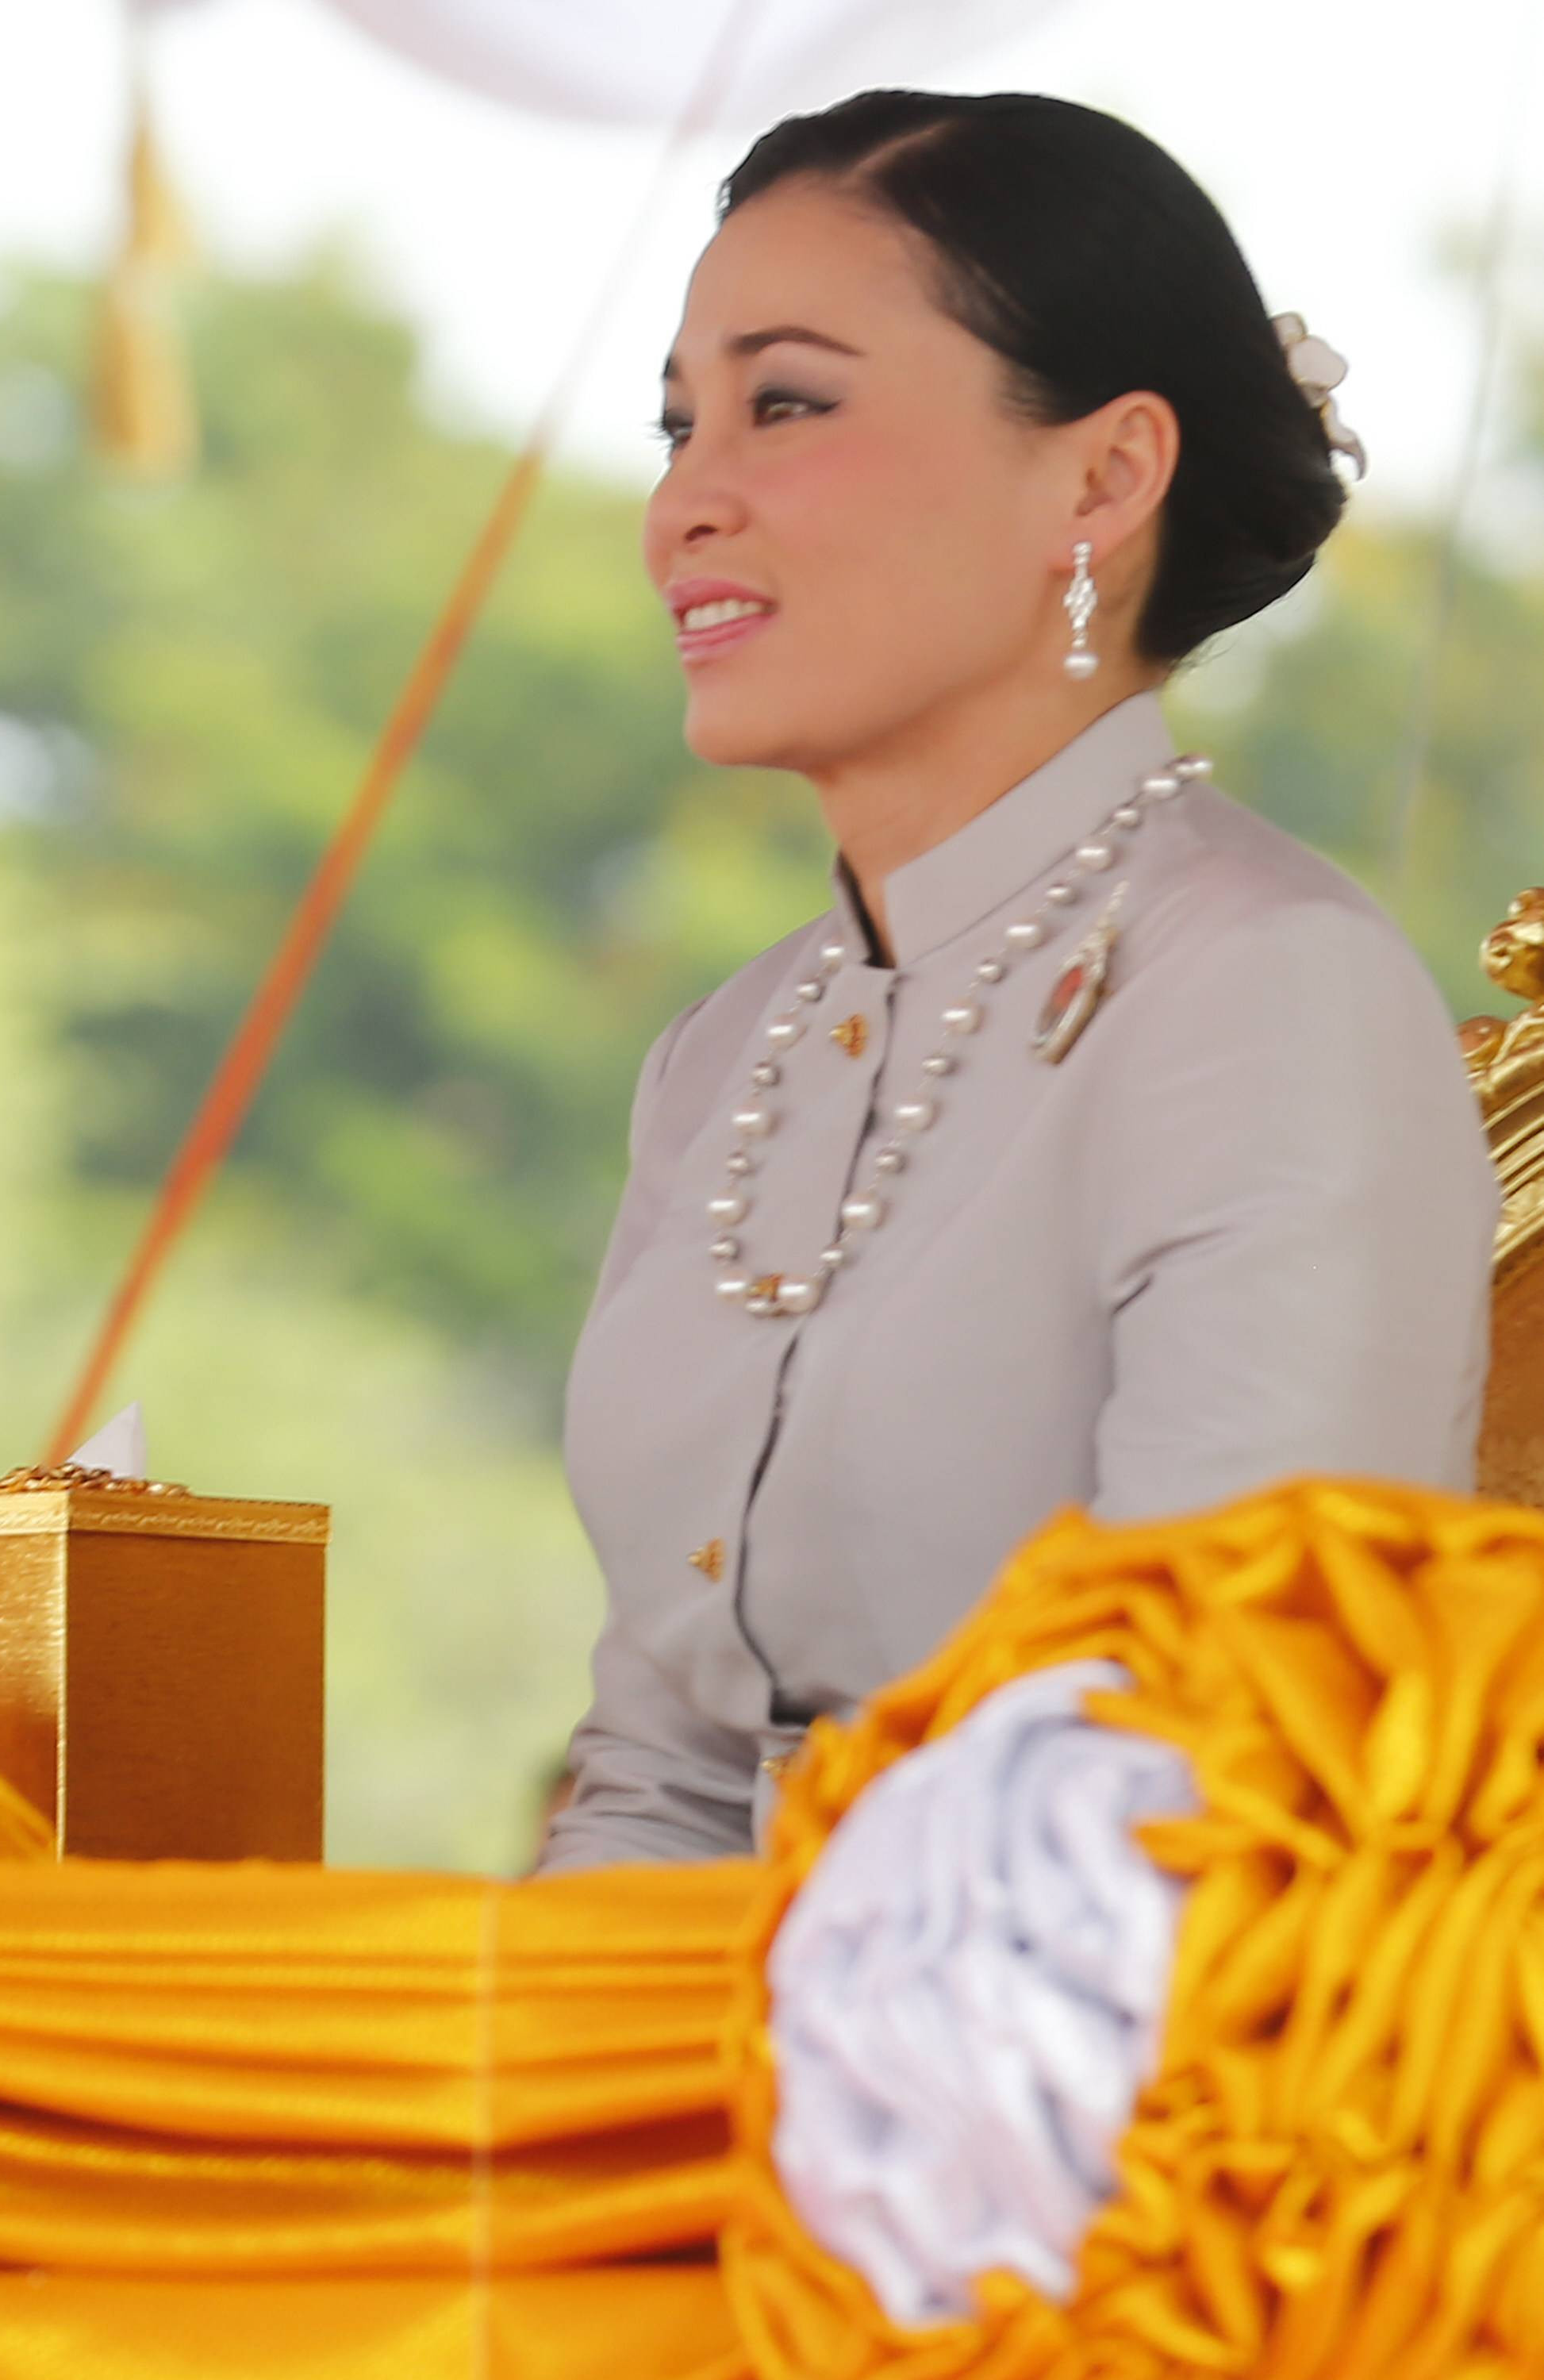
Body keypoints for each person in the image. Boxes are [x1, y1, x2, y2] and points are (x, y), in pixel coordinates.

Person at [540, 93, 1495, 1869]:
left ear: (1099, 479)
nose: (682, 505)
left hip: (1095, 2004)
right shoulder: (718, 1059)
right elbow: (658, 1772)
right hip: (698, 2006)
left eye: (785, 404)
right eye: (676, 426)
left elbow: (1208, 1765)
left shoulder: (1267, 998)